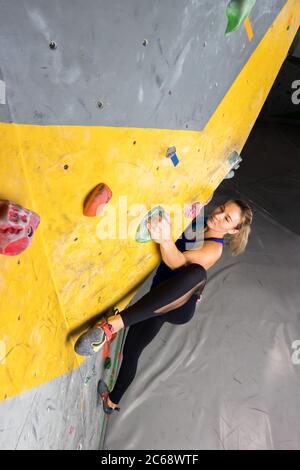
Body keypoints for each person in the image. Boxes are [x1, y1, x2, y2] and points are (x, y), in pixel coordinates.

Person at [75, 199, 253, 414]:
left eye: (226, 218)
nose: (218, 215)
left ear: (233, 230)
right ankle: (111, 402)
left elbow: (177, 263)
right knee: (131, 351)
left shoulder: (213, 249)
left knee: (197, 273)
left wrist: (166, 240)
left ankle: (109, 327)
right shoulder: (201, 222)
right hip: (158, 297)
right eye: (222, 208)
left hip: (178, 307)